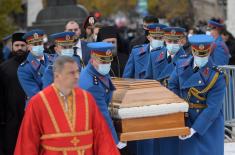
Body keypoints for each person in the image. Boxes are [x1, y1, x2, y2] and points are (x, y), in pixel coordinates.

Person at [14, 56, 120, 155]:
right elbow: (27, 143)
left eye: (78, 72)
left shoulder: (87, 99)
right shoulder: (38, 102)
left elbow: (102, 136)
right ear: (57, 75)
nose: (77, 76)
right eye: (71, 73)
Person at [168, 34, 227, 155]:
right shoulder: (181, 65)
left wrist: (194, 129)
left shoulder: (217, 76)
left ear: (209, 51)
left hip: (206, 124)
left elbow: (213, 108)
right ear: (193, 51)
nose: (201, 58)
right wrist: (179, 107)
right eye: (198, 54)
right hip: (185, 117)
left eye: (204, 54)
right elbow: (172, 85)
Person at [79, 42, 126, 150]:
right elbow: (103, 116)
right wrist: (115, 141)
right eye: (103, 61)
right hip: (94, 132)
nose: (107, 65)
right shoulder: (92, 85)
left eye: (109, 61)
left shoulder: (98, 71)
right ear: (93, 59)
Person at [0, 33, 28, 155]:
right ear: (12, 47)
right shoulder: (4, 68)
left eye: (22, 45)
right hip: (11, 118)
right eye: (17, 45)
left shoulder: (33, 66)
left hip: (28, 116)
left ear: (27, 47)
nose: (20, 48)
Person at [17, 29, 54, 101]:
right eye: (35, 44)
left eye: (40, 43)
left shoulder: (54, 58)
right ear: (28, 47)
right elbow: (36, 96)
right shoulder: (24, 69)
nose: (38, 46)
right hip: (41, 107)